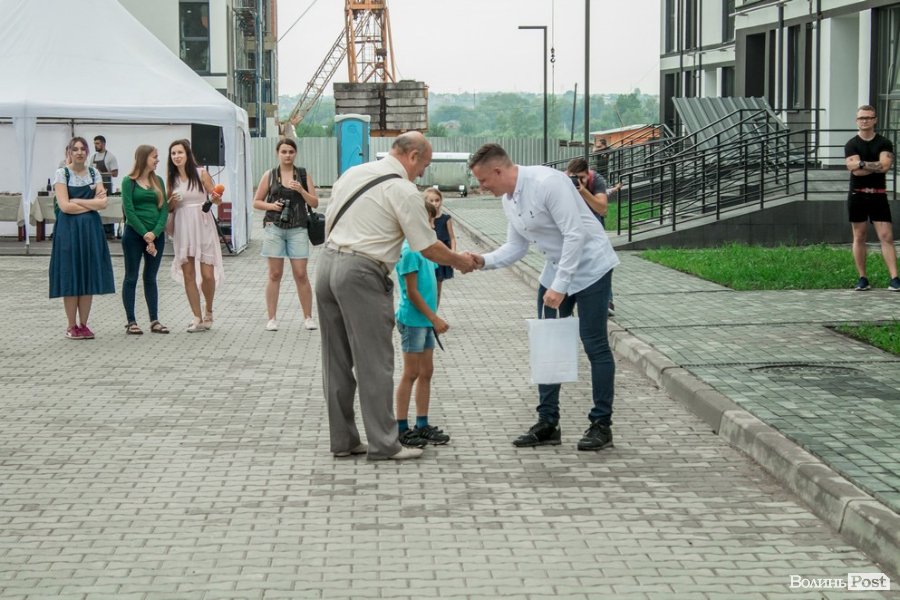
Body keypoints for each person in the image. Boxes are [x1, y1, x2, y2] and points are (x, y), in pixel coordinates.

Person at [315, 132, 476, 461]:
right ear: (413, 156)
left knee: (336, 362)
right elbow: (426, 246)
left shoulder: (354, 173)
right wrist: (459, 261)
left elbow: (330, 220)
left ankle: (344, 441)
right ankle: (385, 444)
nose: (422, 173)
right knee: (375, 363)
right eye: (424, 165)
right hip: (362, 272)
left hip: (327, 265)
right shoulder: (403, 190)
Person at [466, 143, 619, 452]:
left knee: (595, 343)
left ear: (498, 171)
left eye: (483, 181)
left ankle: (601, 424)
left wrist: (561, 286)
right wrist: (483, 261)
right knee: (547, 343)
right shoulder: (509, 200)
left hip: (591, 267)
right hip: (555, 270)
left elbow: (575, 234)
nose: (481, 187)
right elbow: (516, 246)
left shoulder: (547, 183)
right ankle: (548, 422)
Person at [395, 200, 452, 448]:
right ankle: (400, 427)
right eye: (429, 221)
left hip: (425, 321)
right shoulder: (409, 252)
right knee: (411, 373)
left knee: (426, 372)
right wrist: (434, 318)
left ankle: (422, 423)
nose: (432, 225)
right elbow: (412, 293)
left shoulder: (428, 250)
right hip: (414, 321)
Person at [49, 136, 115, 339]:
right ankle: (71, 325)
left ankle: (84, 324)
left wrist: (76, 200)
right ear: (69, 152)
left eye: (83, 149)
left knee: (87, 274)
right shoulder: (62, 173)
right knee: (71, 274)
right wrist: (90, 204)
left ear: (87, 152)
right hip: (68, 231)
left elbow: (103, 203)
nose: (79, 152)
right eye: (75, 149)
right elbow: (64, 206)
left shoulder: (94, 173)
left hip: (90, 231)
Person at [251, 138, 319, 332]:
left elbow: (314, 203)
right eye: (284, 151)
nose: (287, 155)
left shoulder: (303, 175)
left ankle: (308, 317)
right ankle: (271, 318)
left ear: (295, 153)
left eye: (291, 151)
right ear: (277, 153)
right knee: (274, 274)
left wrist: (301, 190)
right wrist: (272, 206)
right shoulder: (270, 175)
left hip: (298, 228)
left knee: (301, 274)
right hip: (275, 228)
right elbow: (256, 202)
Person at [166, 139, 225, 332]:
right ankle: (197, 317)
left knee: (207, 274)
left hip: (202, 223)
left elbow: (216, 199)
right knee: (188, 273)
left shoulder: (201, 174)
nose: (177, 156)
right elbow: (169, 208)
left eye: (180, 152)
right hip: (183, 226)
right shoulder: (172, 178)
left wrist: (215, 198)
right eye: (173, 153)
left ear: (188, 154)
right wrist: (172, 201)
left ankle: (209, 310)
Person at [844, 105, 900, 291]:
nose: (864, 121)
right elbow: (854, 171)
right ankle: (862, 278)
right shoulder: (851, 144)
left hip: (878, 194)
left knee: (886, 236)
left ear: (875, 120)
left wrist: (861, 164)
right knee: (859, 236)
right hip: (857, 195)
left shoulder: (884, 143)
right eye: (861, 118)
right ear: (856, 121)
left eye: (868, 117)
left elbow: (884, 166)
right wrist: (870, 166)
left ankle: (894, 278)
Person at [120, 145, 170, 335]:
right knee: (131, 276)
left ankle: (154, 320)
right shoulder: (129, 182)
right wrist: (145, 234)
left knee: (150, 277)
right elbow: (129, 211)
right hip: (134, 235)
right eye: (154, 157)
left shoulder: (158, 181)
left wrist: (155, 233)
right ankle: (131, 321)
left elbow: (164, 210)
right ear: (143, 158)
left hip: (156, 236)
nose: (157, 160)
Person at [566, 157, 616, 315]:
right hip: (573, 222)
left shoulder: (597, 180)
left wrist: (583, 191)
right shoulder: (563, 180)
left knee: (600, 260)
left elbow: (602, 209)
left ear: (588, 174)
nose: (579, 181)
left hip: (593, 220)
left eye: (582, 178)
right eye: (574, 178)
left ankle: (606, 300)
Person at [425, 187, 457, 305]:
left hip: (441, 257)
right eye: (431, 201)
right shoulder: (424, 219)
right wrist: (430, 220)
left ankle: (434, 312)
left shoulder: (445, 219)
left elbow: (452, 238)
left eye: (437, 200)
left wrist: (453, 254)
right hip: (428, 258)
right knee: (427, 288)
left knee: (437, 290)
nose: (435, 203)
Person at [89, 135, 119, 239]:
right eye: (94, 143)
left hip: (107, 187)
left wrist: (101, 173)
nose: (95, 145)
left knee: (108, 209)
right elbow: (89, 171)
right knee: (96, 209)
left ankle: (109, 232)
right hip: (95, 188)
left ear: (103, 144)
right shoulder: (93, 157)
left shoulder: (110, 157)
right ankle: (97, 231)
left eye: (97, 143)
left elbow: (115, 173)